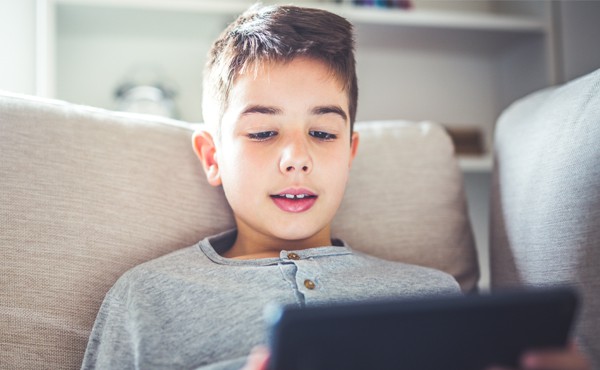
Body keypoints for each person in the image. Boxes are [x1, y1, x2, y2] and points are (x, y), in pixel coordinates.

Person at [81, 4, 590, 370]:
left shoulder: (430, 296)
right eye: (263, 132)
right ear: (213, 157)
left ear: (349, 153)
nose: (297, 158)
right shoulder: (147, 299)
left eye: (322, 133)